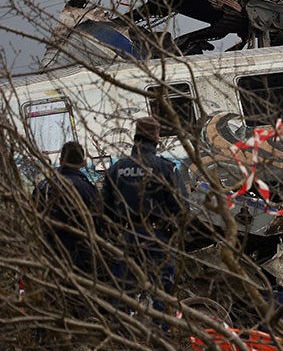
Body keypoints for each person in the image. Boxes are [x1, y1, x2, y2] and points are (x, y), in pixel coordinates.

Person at [103, 117, 187, 312]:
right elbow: (182, 207)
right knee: (163, 291)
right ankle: (162, 336)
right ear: (156, 138)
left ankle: (124, 335)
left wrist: (115, 230)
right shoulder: (165, 168)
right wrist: (171, 231)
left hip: (126, 236)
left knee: (124, 291)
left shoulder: (117, 168)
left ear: (135, 138)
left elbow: (104, 207)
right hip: (157, 237)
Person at [32, 141, 102, 276]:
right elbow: (98, 223)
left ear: (61, 161)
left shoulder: (42, 186)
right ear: (83, 163)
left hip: (47, 256)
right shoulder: (86, 188)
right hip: (77, 260)